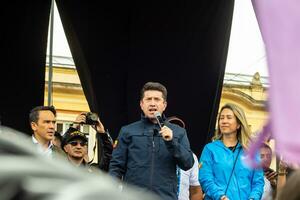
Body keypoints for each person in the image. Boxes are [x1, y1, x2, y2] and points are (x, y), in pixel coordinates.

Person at [109, 81, 194, 200]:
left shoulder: (178, 132)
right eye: (148, 99)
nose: (152, 103)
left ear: (164, 105)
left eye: (157, 99)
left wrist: (171, 142)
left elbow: (188, 164)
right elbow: (116, 167)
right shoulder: (127, 131)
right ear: (141, 104)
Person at [199, 103, 264, 200]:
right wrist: (221, 197)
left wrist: (253, 198)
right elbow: (205, 178)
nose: (224, 121)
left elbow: (258, 182)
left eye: (229, 117)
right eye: (221, 118)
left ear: (238, 124)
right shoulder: (210, 149)